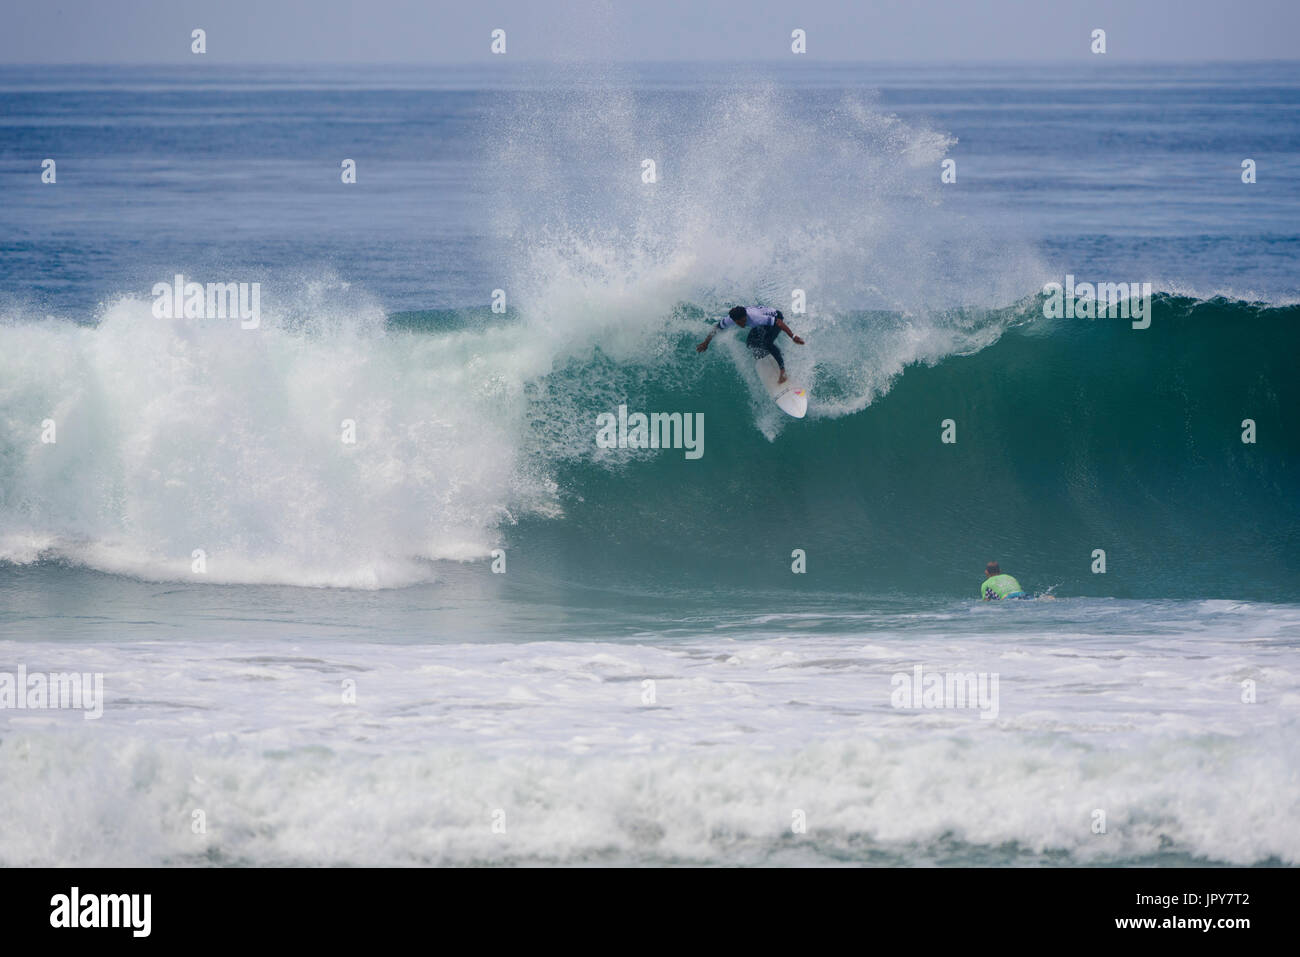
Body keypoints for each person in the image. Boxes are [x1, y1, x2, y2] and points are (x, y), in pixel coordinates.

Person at [696, 306, 805, 384]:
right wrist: (706, 342)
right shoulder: (730, 319)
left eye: (744, 321)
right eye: (739, 322)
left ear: (746, 316)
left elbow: (779, 323)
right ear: (734, 320)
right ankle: (771, 354)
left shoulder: (755, 318)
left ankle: (782, 371)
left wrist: (793, 336)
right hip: (763, 321)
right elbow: (717, 328)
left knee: (767, 342)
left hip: (777, 317)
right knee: (750, 343)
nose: (742, 324)